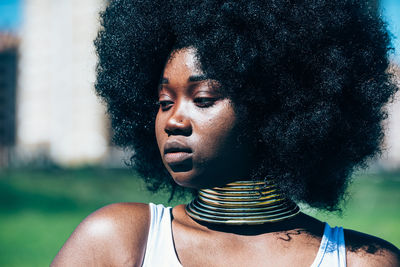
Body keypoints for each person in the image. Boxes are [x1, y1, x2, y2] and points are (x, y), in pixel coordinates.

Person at [52, 0, 400, 266]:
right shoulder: (120, 241)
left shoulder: (360, 260)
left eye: (202, 98)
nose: (173, 120)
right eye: (163, 101)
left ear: (276, 106)